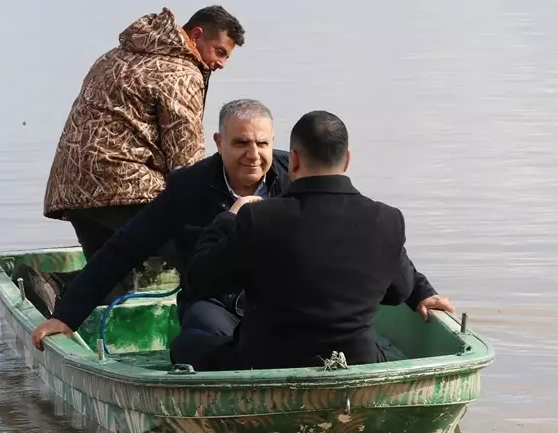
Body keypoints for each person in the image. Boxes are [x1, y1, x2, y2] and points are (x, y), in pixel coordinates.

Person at [181, 110, 456, 370]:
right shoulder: (387, 218)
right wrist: (425, 294)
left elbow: (201, 280)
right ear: (347, 160)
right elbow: (399, 290)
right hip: (358, 361)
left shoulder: (257, 217)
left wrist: (229, 218)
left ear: (295, 160)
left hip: (265, 363)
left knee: (187, 344)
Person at [30, 99, 286, 348]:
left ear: (272, 143)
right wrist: (65, 317)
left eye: (262, 143)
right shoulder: (187, 188)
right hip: (212, 303)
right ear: (219, 143)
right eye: (241, 143)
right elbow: (124, 248)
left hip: (279, 298)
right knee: (208, 336)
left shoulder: (295, 175)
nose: (253, 155)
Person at [41, 5, 245, 291]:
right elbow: (185, 158)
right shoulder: (181, 73)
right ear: (196, 35)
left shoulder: (115, 55)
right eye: (219, 51)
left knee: (108, 280)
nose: (221, 63)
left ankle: (50, 286)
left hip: (73, 186)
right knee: (199, 256)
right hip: (125, 185)